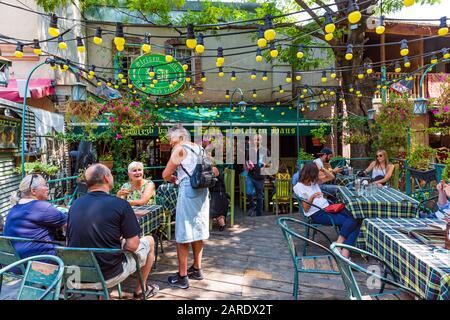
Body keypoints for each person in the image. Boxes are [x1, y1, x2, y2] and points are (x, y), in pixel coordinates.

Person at [67, 163, 158, 299]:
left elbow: (70, 240)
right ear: (106, 178)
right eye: (111, 174)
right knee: (149, 241)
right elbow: (133, 245)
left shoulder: (74, 204)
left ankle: (103, 295)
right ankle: (141, 289)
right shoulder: (121, 204)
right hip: (108, 275)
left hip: (77, 274)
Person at [162, 125, 210, 289]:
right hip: (203, 191)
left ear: (180, 137)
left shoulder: (180, 148)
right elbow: (213, 170)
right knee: (198, 228)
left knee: (183, 231)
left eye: (171, 138)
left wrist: (174, 179)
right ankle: (197, 268)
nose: (170, 142)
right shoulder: (199, 148)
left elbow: (166, 174)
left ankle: (182, 276)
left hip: (189, 189)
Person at [293, 163, 360, 258]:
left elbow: (331, 177)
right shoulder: (298, 187)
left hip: (329, 208)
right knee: (352, 222)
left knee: (356, 216)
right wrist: (312, 197)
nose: (319, 174)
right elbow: (306, 209)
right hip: (318, 213)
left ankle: (339, 244)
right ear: (311, 174)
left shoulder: (313, 182)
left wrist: (322, 168)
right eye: (317, 172)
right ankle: (345, 251)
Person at [4, 174, 67, 259]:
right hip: (38, 266)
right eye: (45, 185)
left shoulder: (13, 209)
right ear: (33, 191)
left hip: (15, 266)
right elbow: (70, 224)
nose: (47, 188)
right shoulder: (42, 207)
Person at [245, 133, 271, 217]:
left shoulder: (265, 150)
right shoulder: (250, 150)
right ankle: (252, 206)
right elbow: (246, 161)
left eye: (258, 139)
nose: (257, 141)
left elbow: (270, 164)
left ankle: (259, 214)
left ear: (261, 140)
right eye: (255, 139)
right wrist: (248, 165)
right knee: (249, 193)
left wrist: (265, 164)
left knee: (259, 196)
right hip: (250, 175)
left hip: (260, 177)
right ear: (253, 140)